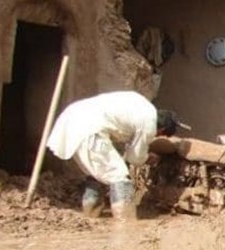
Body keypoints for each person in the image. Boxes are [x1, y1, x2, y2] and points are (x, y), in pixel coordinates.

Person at [47, 90, 185, 220]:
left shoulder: (142, 105)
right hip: (89, 129)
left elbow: (122, 134)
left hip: (73, 117)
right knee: (119, 176)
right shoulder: (149, 124)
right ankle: (125, 221)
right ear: (161, 129)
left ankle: (90, 212)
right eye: (159, 135)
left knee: (99, 172)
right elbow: (135, 158)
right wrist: (148, 158)